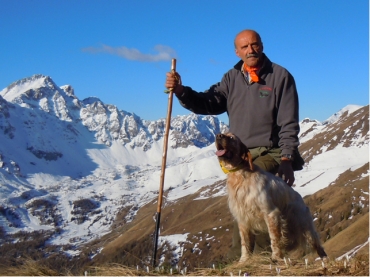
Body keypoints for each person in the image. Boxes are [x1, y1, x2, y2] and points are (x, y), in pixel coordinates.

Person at [165, 29, 304, 259]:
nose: (251, 50)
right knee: (243, 210)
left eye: (255, 44)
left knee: (254, 205)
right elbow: (210, 102)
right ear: (237, 52)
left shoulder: (280, 77)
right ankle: (254, 263)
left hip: (270, 153)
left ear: (262, 45)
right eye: (245, 47)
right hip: (239, 155)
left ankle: (249, 263)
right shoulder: (231, 78)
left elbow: (289, 123)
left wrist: (287, 159)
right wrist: (181, 91)